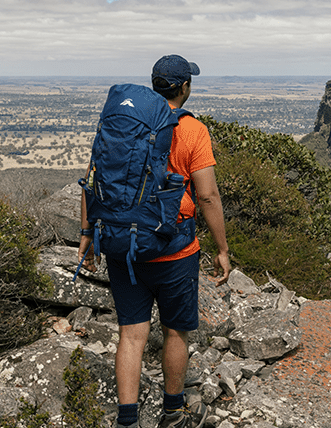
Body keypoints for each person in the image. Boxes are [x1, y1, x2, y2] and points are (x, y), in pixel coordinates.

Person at [78, 54, 230, 428]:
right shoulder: (193, 130)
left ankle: (127, 420)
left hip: (122, 245)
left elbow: (93, 179)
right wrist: (223, 249)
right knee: (175, 330)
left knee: (131, 334)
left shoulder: (125, 123)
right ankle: (173, 413)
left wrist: (87, 234)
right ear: (185, 87)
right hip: (174, 249)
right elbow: (208, 196)